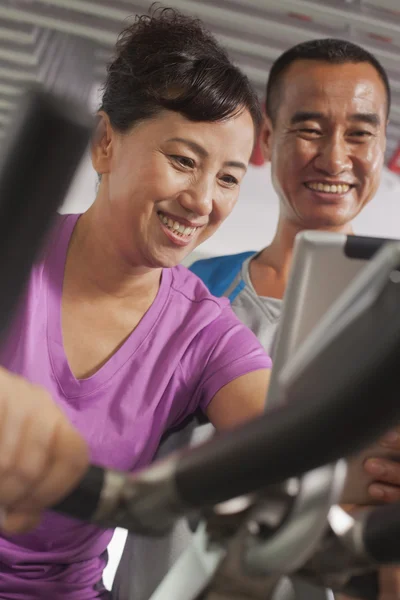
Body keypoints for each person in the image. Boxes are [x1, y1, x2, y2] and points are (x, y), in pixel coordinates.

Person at [0, 7, 275, 598]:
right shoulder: (12, 241)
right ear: (105, 143)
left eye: (228, 178)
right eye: (183, 160)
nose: (203, 201)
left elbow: (277, 432)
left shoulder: (205, 333)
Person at [112, 38, 400, 600]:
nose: (336, 158)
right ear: (268, 138)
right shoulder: (185, 286)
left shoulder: (391, 325)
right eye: (310, 128)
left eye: (361, 133)